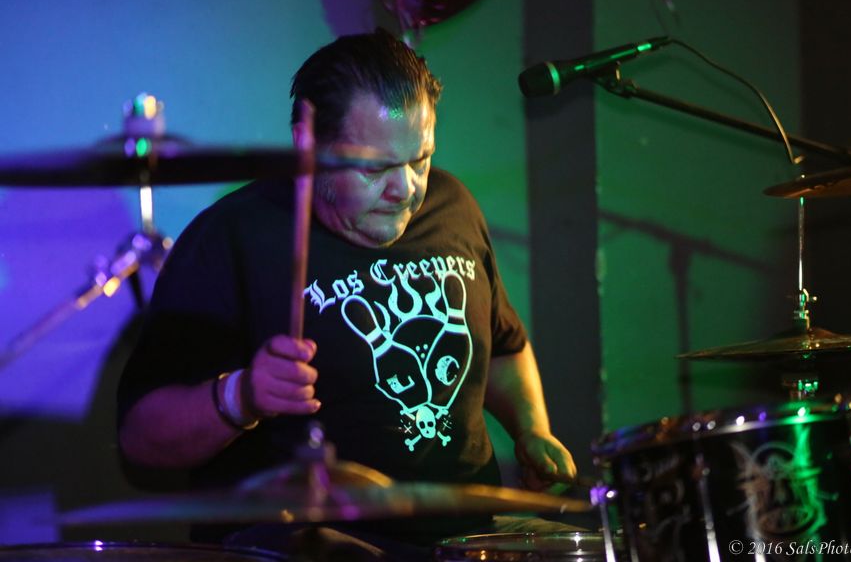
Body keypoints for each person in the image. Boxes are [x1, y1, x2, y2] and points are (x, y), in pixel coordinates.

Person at [117, 29, 579, 560]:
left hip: (466, 538)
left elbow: (503, 346)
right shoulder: (231, 237)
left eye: (421, 159)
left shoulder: (453, 205)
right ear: (308, 143)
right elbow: (140, 437)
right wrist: (241, 396)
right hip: (315, 540)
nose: (405, 188)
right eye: (375, 167)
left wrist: (532, 430)